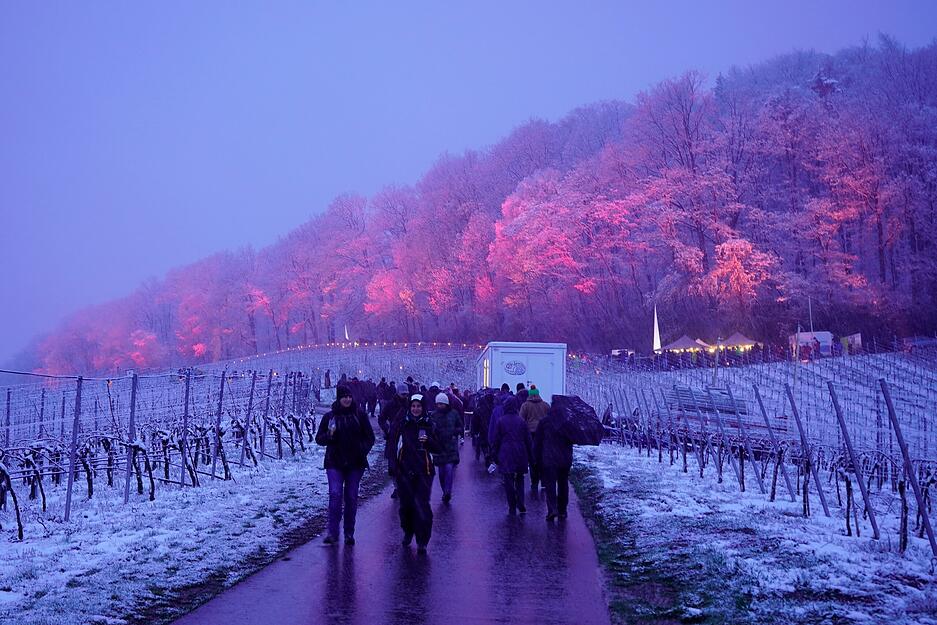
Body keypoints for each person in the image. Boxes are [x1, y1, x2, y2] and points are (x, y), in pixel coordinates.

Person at [314, 385, 376, 545]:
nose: (347, 399)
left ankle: (349, 532)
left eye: (349, 396)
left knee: (351, 497)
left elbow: (370, 437)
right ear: (338, 398)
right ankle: (332, 533)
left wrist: (362, 450)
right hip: (334, 462)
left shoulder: (360, 415)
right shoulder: (330, 417)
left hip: (356, 463)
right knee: (335, 495)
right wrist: (329, 436)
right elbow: (319, 438)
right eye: (344, 397)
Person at [388, 394, 440, 553]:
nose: (416, 409)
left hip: (424, 471)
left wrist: (429, 442)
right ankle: (408, 531)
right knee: (406, 506)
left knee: (422, 505)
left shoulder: (430, 425)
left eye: (418, 406)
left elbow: (438, 447)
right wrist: (393, 466)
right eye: (413, 406)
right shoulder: (402, 424)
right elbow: (393, 445)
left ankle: (422, 539)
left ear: (423, 408)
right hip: (404, 470)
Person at [491, 397, 533, 515]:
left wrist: (494, 454)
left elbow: (496, 440)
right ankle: (521, 502)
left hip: (506, 452)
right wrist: (531, 456)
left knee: (508, 480)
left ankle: (512, 505)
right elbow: (528, 440)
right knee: (520, 478)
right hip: (520, 452)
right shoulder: (521, 421)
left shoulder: (501, 421)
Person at [534, 405, 573, 521]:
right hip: (564, 459)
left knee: (550, 484)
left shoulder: (544, 422)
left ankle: (552, 509)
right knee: (563, 484)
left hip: (549, 458)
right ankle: (562, 509)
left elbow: (538, 442)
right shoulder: (567, 423)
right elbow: (572, 439)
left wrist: (535, 458)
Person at [430, 393, 463, 504]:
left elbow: (460, 426)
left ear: (446, 404)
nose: (440, 406)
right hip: (439, 447)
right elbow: (429, 429)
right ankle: (445, 491)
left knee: (449, 469)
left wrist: (455, 432)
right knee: (441, 472)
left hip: (451, 446)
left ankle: (447, 492)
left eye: (442, 404)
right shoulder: (434, 415)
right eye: (438, 404)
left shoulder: (454, 414)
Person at [519, 387, 550, 493]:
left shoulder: (525, 406)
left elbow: (521, 420)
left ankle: (534, 482)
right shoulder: (545, 405)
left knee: (533, 458)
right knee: (543, 457)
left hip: (530, 435)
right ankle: (545, 481)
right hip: (543, 435)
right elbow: (550, 419)